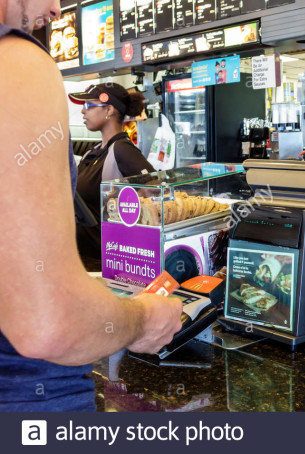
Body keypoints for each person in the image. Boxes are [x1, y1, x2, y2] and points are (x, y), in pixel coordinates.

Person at [0, 0, 182, 411]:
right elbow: (48, 324)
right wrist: (144, 318)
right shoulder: (17, 60)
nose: (56, 8)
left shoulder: (123, 151)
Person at [69, 83, 155, 268]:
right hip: (82, 259)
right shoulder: (91, 152)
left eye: (88, 106)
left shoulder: (122, 150)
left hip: (106, 263)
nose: (83, 112)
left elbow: (155, 191)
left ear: (109, 109)